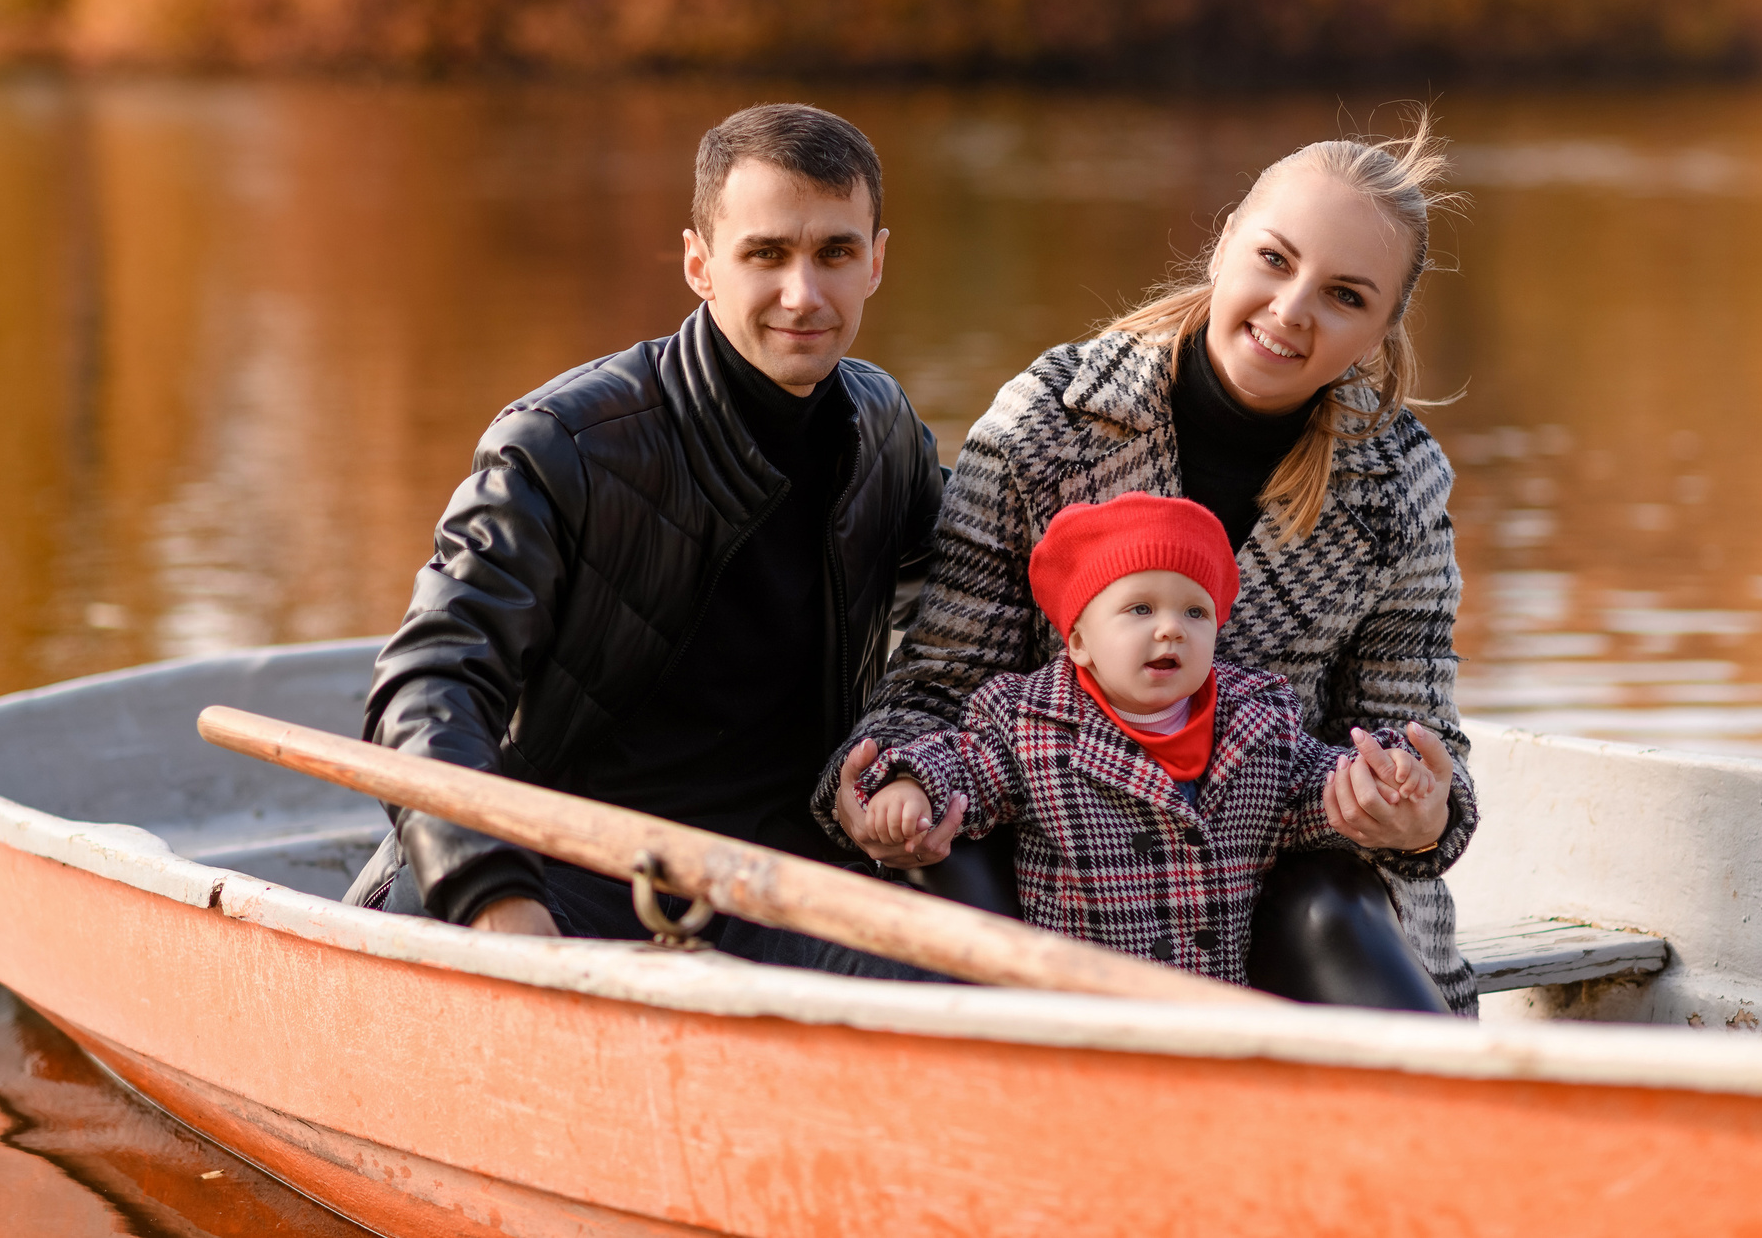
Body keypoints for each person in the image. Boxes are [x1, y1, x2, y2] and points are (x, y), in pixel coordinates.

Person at [819, 117, 1481, 1013]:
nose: (1291, 311)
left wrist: (1415, 805)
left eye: (1346, 296)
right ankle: (1017, 1119)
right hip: (1065, 882)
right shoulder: (1048, 425)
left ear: (1380, 329)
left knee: (1328, 894)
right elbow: (936, 688)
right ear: (1223, 244)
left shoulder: (1396, 480)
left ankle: (1432, 1131)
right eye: (1275, 259)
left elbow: (1410, 733)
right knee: (942, 860)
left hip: (1271, 878)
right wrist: (884, 781)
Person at [343, 103, 944, 975]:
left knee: (967, 991)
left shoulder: (885, 429)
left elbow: (963, 611)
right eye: (766, 254)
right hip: (570, 867)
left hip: (782, 874)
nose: (803, 294)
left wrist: (921, 764)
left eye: (836, 254)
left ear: (877, 261)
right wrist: (491, 894)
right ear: (700, 263)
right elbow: (427, 683)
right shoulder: (564, 444)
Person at [852, 492, 1445, 982]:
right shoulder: (1031, 726)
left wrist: (1385, 778)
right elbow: (962, 765)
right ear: (1079, 641)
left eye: (1195, 612)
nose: (1171, 629)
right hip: (1085, 1015)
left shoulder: (1261, 726)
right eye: (1139, 609)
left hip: (1218, 1012)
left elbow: (1324, 787)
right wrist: (909, 785)